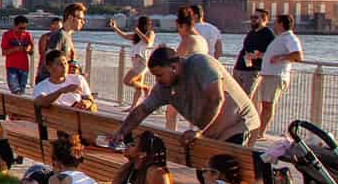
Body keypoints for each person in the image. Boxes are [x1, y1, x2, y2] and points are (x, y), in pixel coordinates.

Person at [108, 48, 260, 147]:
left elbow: (216, 99)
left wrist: (196, 130)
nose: (157, 80)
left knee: (226, 175)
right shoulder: (164, 88)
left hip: (239, 124)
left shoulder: (200, 63)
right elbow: (142, 110)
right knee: (205, 176)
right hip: (212, 133)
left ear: (173, 67)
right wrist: (122, 131)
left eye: (160, 75)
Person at [254, 12, 302, 134]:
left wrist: (280, 58)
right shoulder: (280, 38)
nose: (273, 25)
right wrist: (261, 55)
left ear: (281, 24)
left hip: (276, 76)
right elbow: (274, 56)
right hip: (269, 76)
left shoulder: (290, 38)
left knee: (268, 105)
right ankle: (258, 131)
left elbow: (298, 55)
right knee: (264, 104)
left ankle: (260, 132)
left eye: (275, 22)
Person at [31, 49, 95, 111]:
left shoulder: (78, 79)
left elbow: (91, 101)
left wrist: (86, 103)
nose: (64, 67)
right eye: (60, 64)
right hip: (57, 120)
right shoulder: (41, 87)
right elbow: (40, 102)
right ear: (49, 68)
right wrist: (61, 91)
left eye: (65, 63)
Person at [232, 8, 275, 96]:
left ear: (264, 19)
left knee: (246, 99)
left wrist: (257, 55)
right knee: (235, 97)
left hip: (252, 71)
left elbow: (271, 54)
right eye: (252, 17)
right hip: (239, 68)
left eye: (255, 18)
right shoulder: (251, 33)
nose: (252, 20)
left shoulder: (268, 34)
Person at [121, 17, 156, 106]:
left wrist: (138, 32)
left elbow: (147, 41)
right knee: (138, 87)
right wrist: (114, 28)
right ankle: (133, 107)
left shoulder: (150, 33)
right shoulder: (137, 35)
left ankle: (146, 88)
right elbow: (124, 36)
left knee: (127, 81)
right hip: (136, 62)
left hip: (142, 62)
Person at [0, 15, 35, 95]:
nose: (23, 30)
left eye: (24, 28)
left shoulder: (27, 35)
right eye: (20, 28)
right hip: (12, 66)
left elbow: (31, 51)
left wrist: (29, 49)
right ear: (14, 26)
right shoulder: (7, 35)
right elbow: (4, 52)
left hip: (24, 67)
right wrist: (16, 49)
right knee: (15, 89)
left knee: (22, 91)